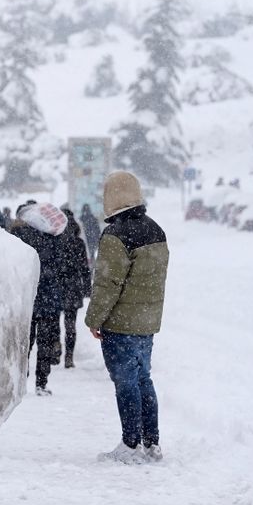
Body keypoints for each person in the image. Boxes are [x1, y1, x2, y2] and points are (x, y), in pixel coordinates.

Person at [85, 171, 169, 463]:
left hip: (120, 324)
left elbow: (108, 283)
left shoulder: (115, 235)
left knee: (126, 382)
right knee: (144, 379)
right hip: (147, 322)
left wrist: (94, 318)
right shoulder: (156, 230)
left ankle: (130, 443)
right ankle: (151, 442)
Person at [10, 203, 68, 396]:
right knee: (45, 344)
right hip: (49, 300)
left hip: (28, 300)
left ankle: (21, 381)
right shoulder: (55, 239)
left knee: (25, 343)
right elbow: (62, 267)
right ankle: (41, 383)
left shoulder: (20, 238)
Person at [56, 207, 92, 369]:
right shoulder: (79, 243)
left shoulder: (55, 241)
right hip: (73, 286)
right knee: (71, 324)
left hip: (56, 286)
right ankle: (69, 356)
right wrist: (86, 288)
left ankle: (55, 348)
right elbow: (85, 267)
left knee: (53, 321)